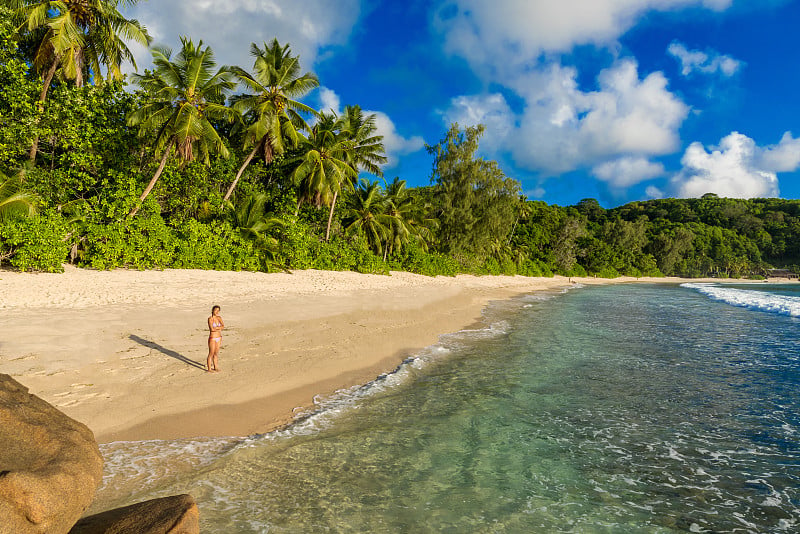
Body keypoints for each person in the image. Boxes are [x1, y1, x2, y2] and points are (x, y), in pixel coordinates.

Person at [207, 305, 224, 372]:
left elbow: (223, 326)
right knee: (211, 353)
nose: (217, 312)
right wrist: (218, 328)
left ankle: (216, 367)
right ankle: (209, 368)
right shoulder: (210, 319)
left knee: (216, 353)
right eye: (215, 310)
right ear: (212, 310)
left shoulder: (219, 318)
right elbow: (212, 329)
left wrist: (216, 328)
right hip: (213, 337)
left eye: (218, 310)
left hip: (219, 337)